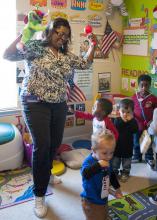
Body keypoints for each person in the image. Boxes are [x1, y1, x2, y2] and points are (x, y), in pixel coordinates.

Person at [3, 18, 96, 218]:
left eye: (65, 35)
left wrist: (93, 44)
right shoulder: (35, 46)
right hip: (34, 103)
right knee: (42, 146)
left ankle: (47, 172)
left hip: (58, 104)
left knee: (54, 143)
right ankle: (39, 194)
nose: (61, 37)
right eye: (58, 32)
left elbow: (86, 62)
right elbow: (8, 55)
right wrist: (26, 32)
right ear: (49, 31)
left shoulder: (65, 56)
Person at [81, 130, 123, 220]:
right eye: (104, 153)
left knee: (103, 212)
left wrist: (117, 189)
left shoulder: (106, 160)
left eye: (111, 153)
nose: (108, 157)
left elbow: (111, 175)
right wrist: (98, 164)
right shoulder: (88, 162)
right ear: (93, 150)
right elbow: (85, 174)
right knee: (96, 216)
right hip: (91, 201)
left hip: (102, 197)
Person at [132, 74, 157, 169]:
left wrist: (152, 121)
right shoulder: (134, 97)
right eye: (141, 85)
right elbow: (131, 109)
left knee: (148, 142)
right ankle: (137, 156)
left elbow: (156, 112)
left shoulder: (153, 98)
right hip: (137, 125)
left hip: (149, 126)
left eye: (146, 85)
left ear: (149, 85)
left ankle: (149, 157)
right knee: (136, 142)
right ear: (138, 85)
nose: (143, 88)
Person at [112, 99, 138, 182]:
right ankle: (115, 172)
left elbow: (135, 130)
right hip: (117, 146)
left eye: (128, 112)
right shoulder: (117, 120)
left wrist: (131, 121)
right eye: (123, 111)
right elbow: (117, 127)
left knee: (127, 162)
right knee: (115, 161)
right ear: (119, 111)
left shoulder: (133, 121)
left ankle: (125, 172)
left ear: (132, 113)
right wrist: (124, 121)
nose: (125, 114)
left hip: (128, 146)